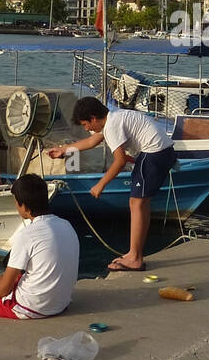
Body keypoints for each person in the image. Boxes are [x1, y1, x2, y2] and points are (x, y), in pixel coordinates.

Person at [47, 97, 177, 272]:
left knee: (137, 203)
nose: (86, 129)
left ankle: (135, 257)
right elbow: (92, 142)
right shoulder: (113, 118)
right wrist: (64, 150)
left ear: (93, 118)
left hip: (154, 154)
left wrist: (101, 184)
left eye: (86, 124)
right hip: (160, 152)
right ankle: (134, 254)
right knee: (139, 203)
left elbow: (120, 160)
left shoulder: (112, 125)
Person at [0, 174, 80, 327]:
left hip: (34, 307)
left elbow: (3, 291)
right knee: (2, 284)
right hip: (61, 303)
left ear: (24, 206)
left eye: (16, 202)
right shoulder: (66, 225)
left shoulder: (27, 234)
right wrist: (6, 280)